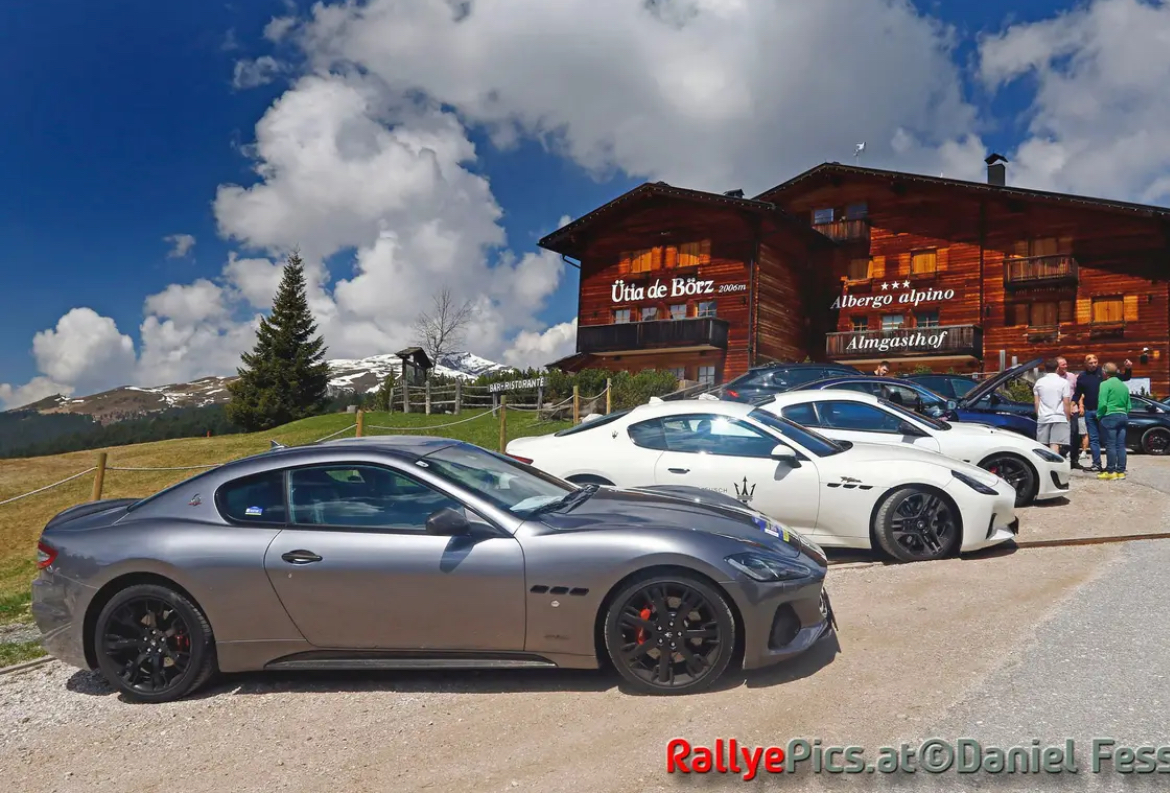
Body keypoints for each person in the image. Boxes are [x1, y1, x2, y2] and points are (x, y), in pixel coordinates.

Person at [1071, 354, 1131, 473]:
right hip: (1090, 410)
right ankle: (1097, 464)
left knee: (1109, 440)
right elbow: (1077, 393)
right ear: (1085, 364)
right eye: (1090, 363)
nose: (1093, 365)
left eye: (1095, 362)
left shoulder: (1104, 373)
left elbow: (1124, 377)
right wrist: (1071, 405)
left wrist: (1128, 369)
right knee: (1093, 439)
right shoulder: (1082, 377)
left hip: (1104, 412)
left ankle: (1111, 467)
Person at [1098, 362, 1132, 480]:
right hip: (1123, 415)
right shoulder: (1123, 386)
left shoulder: (1105, 384)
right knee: (1121, 445)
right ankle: (1120, 472)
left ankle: (1111, 471)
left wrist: (1099, 415)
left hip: (1110, 415)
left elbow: (1102, 403)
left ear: (1104, 372)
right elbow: (1129, 406)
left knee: (1110, 445)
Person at [1033, 359, 1071, 454]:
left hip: (1044, 416)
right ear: (1057, 368)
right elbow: (1066, 402)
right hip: (1059, 416)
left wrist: (1039, 415)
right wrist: (1068, 417)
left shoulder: (1039, 382)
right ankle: (1054, 463)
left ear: (1045, 369)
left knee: (1042, 445)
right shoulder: (1063, 382)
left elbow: (1037, 402)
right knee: (1055, 444)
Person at [1054, 357, 1083, 468]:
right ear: (1057, 366)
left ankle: (1074, 460)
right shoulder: (1053, 378)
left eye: (1066, 364)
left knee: (1074, 435)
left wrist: (1081, 405)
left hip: (1073, 409)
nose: (1066, 366)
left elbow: (1078, 392)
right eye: (1063, 365)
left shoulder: (1071, 377)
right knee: (1059, 436)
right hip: (1059, 410)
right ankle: (1061, 457)